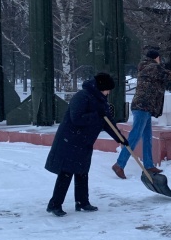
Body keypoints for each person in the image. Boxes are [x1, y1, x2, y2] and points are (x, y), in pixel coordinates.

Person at [45, 72, 128, 216]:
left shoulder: (101, 101)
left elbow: (108, 124)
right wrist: (96, 115)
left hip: (84, 141)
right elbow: (76, 118)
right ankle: (54, 204)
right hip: (70, 140)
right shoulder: (82, 96)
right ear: (101, 87)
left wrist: (120, 138)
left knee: (82, 172)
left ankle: (82, 202)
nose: (108, 93)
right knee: (66, 173)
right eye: (107, 89)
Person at [112, 50, 171, 179]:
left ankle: (148, 165)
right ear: (157, 58)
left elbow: (161, 78)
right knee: (135, 136)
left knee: (147, 137)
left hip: (144, 107)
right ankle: (119, 164)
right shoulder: (153, 67)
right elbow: (167, 75)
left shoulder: (145, 67)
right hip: (143, 106)